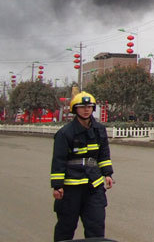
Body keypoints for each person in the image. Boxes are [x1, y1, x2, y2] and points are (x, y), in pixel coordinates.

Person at [50, 92, 114, 241]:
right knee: (66, 227)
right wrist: (57, 185)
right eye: (82, 107)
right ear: (75, 109)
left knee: (96, 227)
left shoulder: (99, 130)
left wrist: (108, 174)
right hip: (71, 188)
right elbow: (58, 160)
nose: (86, 110)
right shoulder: (65, 133)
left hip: (94, 186)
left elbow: (104, 155)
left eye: (90, 107)